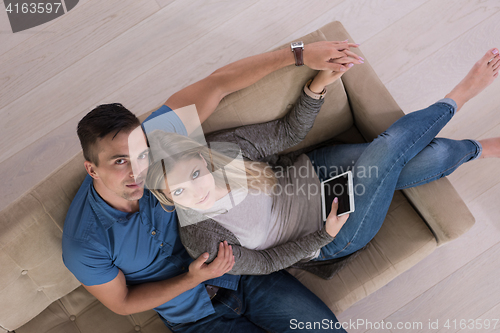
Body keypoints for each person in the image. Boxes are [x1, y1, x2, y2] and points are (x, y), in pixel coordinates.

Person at [62, 39, 363, 333]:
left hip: (244, 271)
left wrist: (300, 54)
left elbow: (218, 84)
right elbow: (123, 303)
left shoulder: (157, 141)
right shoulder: (84, 242)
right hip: (196, 318)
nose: (138, 169)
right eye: (119, 162)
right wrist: (191, 279)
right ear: (92, 169)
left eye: (140, 155)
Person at [144, 48, 500, 277]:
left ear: (202, 158)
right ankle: (460, 96)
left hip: (315, 172)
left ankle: (478, 149)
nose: (198, 189)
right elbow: (267, 263)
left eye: (195, 173)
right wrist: (323, 234)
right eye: (179, 190)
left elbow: (285, 133)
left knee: (425, 156)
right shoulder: (201, 237)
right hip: (329, 230)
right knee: (385, 152)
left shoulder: (224, 152)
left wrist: (317, 87)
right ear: (168, 198)